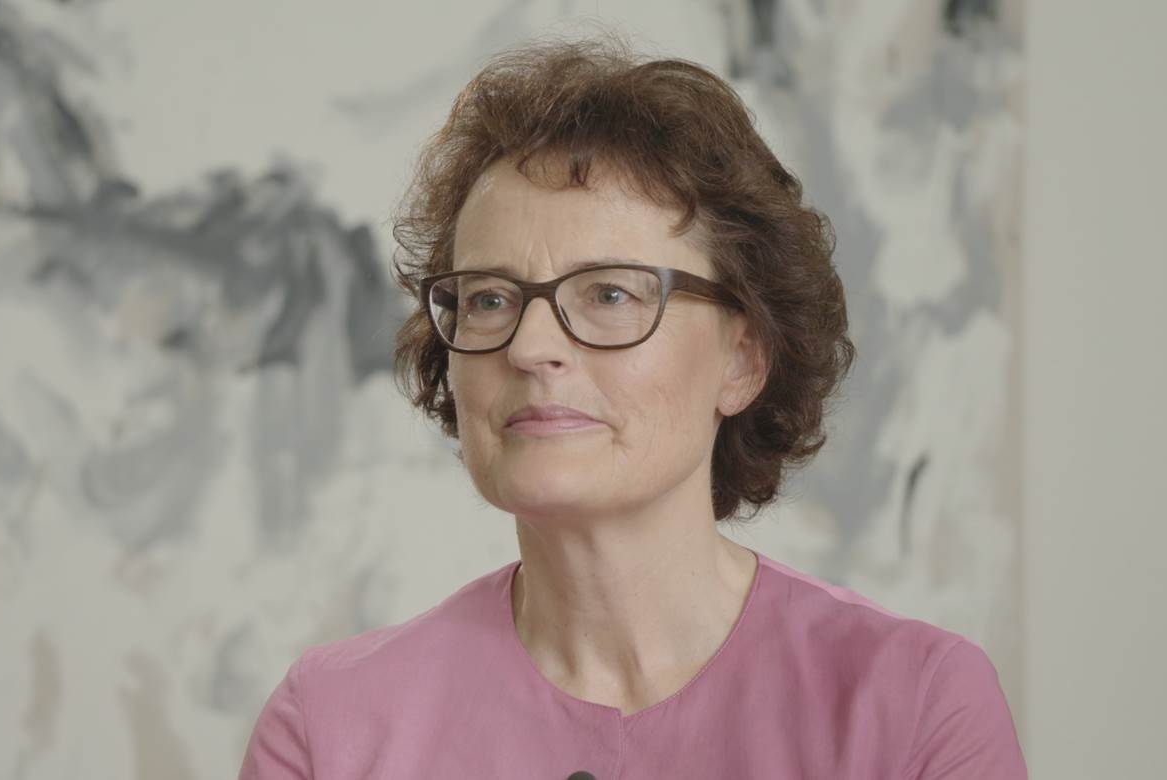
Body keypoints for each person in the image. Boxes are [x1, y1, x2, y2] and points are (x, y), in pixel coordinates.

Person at [237, 35, 1027, 779]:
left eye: (610, 294)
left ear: (743, 359)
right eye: (488, 299)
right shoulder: (328, 727)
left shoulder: (919, 708)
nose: (529, 346)